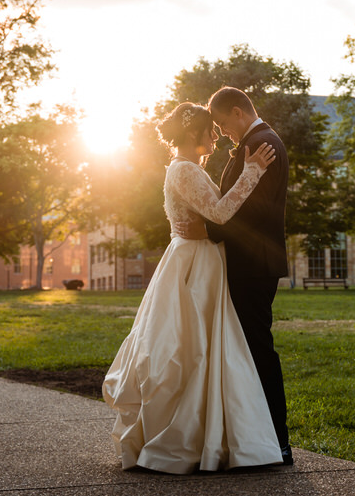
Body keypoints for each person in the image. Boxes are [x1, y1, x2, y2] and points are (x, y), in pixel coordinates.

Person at [102, 102, 283, 474]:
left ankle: (211, 433)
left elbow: (211, 216)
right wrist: (251, 172)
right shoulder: (184, 170)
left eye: (217, 129)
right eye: (209, 130)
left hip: (202, 259)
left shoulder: (188, 168)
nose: (215, 136)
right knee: (191, 347)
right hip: (194, 267)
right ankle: (187, 436)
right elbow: (219, 214)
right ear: (192, 134)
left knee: (206, 346)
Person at [205, 87, 293, 466]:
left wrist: (214, 227)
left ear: (238, 112)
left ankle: (278, 441)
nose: (223, 132)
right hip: (252, 263)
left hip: (254, 265)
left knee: (259, 349)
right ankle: (259, 437)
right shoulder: (259, 140)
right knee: (251, 349)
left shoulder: (262, 144)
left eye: (223, 124)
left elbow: (252, 211)